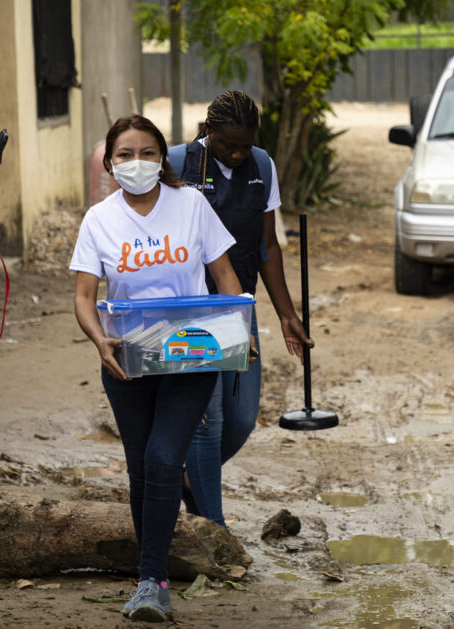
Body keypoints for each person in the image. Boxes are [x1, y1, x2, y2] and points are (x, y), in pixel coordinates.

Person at [71, 115, 245, 622]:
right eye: (125, 154)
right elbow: (84, 296)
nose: (137, 162)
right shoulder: (99, 220)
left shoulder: (191, 204)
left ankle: (153, 582)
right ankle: (150, 574)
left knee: (167, 458)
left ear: (162, 159)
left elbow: (224, 273)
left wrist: (242, 329)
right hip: (127, 356)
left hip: (190, 352)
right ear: (109, 163)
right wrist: (99, 339)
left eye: (148, 152)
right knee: (143, 466)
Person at [167, 90, 311, 527]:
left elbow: (267, 245)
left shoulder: (262, 166)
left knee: (243, 419)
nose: (237, 152)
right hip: (189, 312)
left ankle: (184, 478)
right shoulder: (176, 165)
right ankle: (215, 528)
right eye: (229, 144)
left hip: (237, 308)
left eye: (245, 144)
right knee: (206, 423)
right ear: (209, 132)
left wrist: (287, 313)